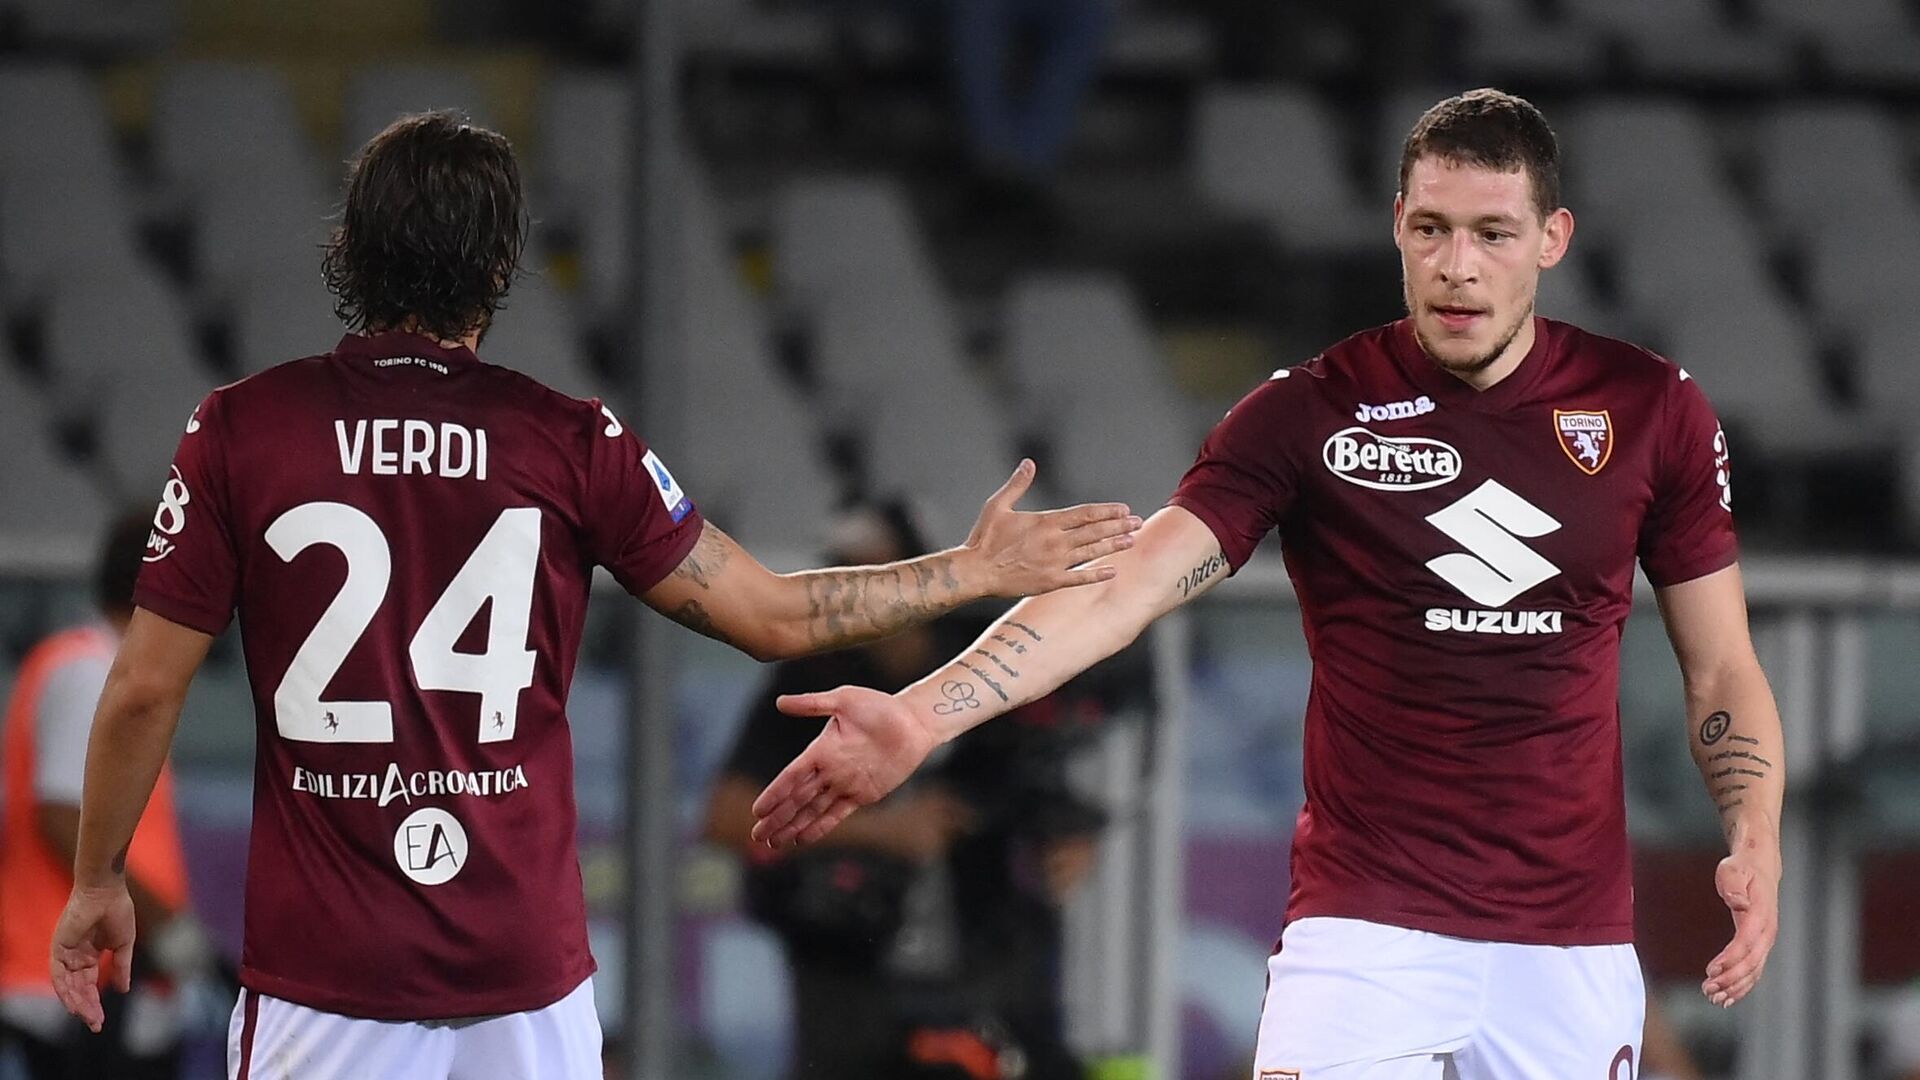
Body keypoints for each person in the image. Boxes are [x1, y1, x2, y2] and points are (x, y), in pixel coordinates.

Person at [44, 112, 1141, 1080]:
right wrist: (977, 569)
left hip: (329, 971)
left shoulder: (245, 428)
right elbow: (773, 616)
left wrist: (98, 879)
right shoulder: (570, 440)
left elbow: (144, 690)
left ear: (351, 252)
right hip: (519, 968)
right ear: (501, 268)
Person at [752, 88, 1787, 1078]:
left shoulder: (1653, 410)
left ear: (1552, 239)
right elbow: (1127, 589)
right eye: (1430, 229)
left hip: (1569, 948)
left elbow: (1721, 667)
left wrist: (1755, 833)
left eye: (1492, 233)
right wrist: (923, 718)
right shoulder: (1306, 415)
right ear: (1395, 226)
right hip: (1363, 933)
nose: (1457, 266)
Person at [705, 500, 1102, 1079]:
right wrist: (883, 832)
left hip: (991, 958)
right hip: (851, 965)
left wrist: (1066, 845)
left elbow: (1044, 785)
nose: (859, 589)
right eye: (843, 572)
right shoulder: (812, 680)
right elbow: (726, 817)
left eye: (877, 571)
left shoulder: (986, 658)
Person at [1, 513, 195, 1080]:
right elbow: (61, 816)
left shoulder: (103, 669)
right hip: (68, 990)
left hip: (95, 989)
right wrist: (170, 930)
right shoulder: (93, 672)